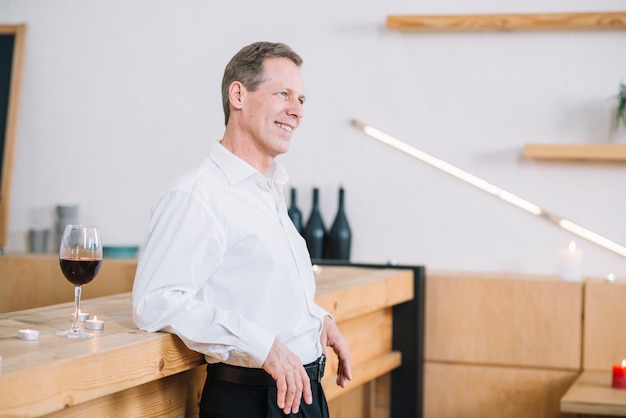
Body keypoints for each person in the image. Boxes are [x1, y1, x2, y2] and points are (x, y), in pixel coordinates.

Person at [132, 41, 352, 418]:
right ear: (239, 95)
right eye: (283, 94)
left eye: (301, 99)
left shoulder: (266, 191)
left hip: (303, 397)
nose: (296, 110)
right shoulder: (197, 195)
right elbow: (155, 301)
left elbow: (252, 288)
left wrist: (317, 319)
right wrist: (262, 345)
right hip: (252, 402)